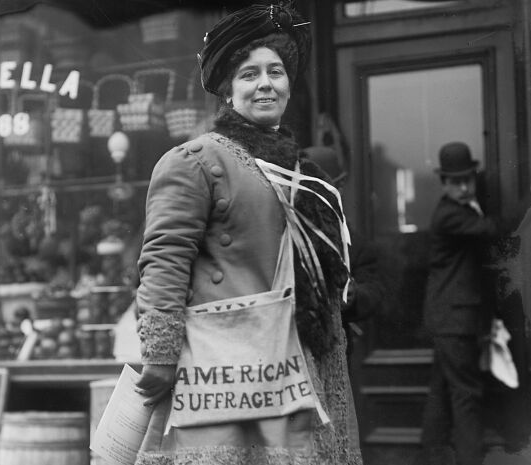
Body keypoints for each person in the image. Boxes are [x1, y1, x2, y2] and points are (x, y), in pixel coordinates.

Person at [133, 4, 362, 464]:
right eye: (249, 74)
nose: (265, 84)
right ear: (227, 90)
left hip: (298, 367)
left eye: (275, 72)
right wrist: (159, 353)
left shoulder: (306, 173)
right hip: (227, 372)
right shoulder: (196, 161)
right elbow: (165, 258)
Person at [420, 136, 531, 465]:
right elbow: (498, 228)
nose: (464, 188)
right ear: (444, 183)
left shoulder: (458, 209)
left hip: (449, 319)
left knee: (442, 396)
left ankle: (428, 458)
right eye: (455, 182)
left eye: (467, 179)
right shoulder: (451, 215)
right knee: (466, 399)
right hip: (455, 322)